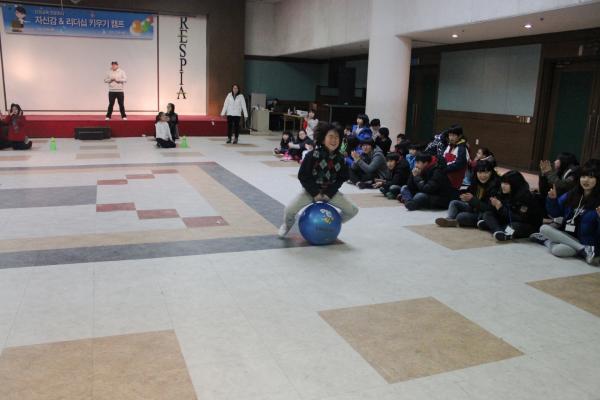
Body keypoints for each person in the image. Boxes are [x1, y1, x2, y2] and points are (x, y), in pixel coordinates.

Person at [278, 122, 359, 238]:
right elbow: (303, 176)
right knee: (289, 210)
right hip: (310, 192)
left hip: (330, 193)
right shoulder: (312, 155)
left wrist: (329, 193)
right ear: (323, 139)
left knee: (353, 210)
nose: (334, 140)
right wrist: (315, 193)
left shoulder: (341, 159)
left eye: (337, 137)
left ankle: (333, 223)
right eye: (331, 136)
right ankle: (287, 225)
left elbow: (342, 178)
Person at [530, 160, 599, 265]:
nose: (586, 180)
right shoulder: (573, 194)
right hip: (567, 235)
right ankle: (583, 250)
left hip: (587, 242)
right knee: (544, 228)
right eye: (583, 176)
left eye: (591, 177)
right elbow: (556, 213)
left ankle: (545, 240)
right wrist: (552, 200)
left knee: (558, 250)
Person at [479, 170, 543, 241]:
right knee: (487, 214)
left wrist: (500, 208)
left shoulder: (526, 197)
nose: (503, 186)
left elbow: (520, 218)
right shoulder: (504, 192)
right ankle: (498, 230)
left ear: (515, 184)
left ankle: (495, 227)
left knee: (513, 227)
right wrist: (494, 205)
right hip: (507, 221)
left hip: (526, 225)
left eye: (506, 184)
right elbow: (497, 212)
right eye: (502, 182)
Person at [435, 160, 500, 228]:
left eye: (486, 172)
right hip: (474, 208)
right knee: (454, 203)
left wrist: (472, 200)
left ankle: (456, 221)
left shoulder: (495, 186)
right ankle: (449, 219)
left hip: (484, 215)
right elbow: (468, 192)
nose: (483, 175)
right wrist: (462, 195)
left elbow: (490, 209)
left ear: (491, 172)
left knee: (461, 216)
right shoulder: (476, 182)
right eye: (480, 172)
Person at [443, 125, 469, 190]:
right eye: (450, 135)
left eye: (453, 135)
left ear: (459, 136)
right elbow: (443, 159)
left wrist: (443, 168)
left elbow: (459, 164)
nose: (451, 138)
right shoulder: (449, 146)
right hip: (445, 179)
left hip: (454, 183)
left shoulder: (462, 149)